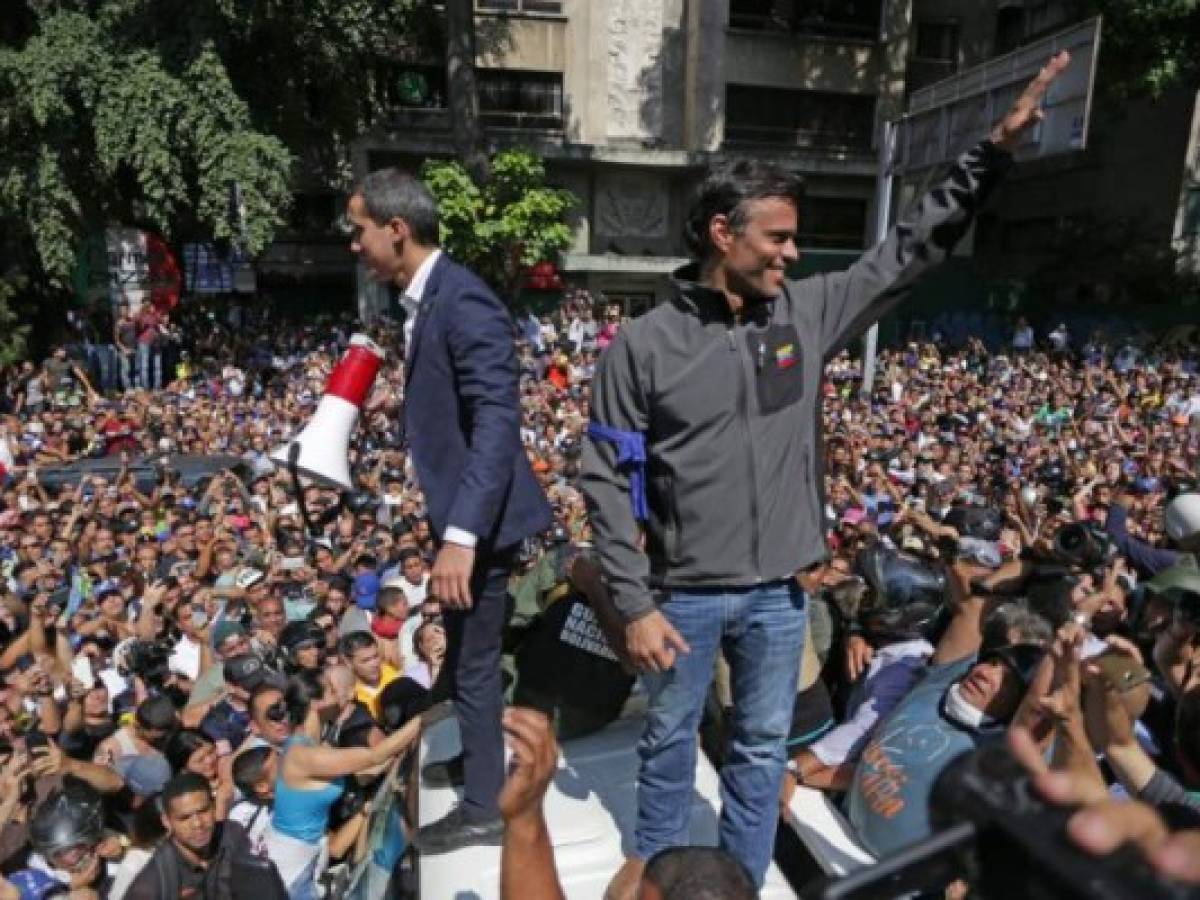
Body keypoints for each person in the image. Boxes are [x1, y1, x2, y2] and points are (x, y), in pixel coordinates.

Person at [582, 52, 1072, 894]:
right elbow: (603, 475)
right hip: (684, 597)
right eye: (777, 236)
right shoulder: (644, 345)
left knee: (762, 746)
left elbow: (908, 250)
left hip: (780, 597)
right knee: (667, 745)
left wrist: (990, 151)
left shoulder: (806, 313)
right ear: (721, 233)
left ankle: (734, 878)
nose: (793, 252)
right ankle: (663, 876)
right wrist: (632, 603)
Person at [346, 167, 553, 853]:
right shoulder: (429, 300)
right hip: (467, 517)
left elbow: (497, 420)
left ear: (396, 230)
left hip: (481, 524)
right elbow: (457, 407)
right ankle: (479, 762)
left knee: (471, 660)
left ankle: (485, 806)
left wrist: (461, 536)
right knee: (466, 653)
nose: (355, 245)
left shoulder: (462, 301)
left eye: (360, 230)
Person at [123, 772, 286, 900]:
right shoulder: (155, 882)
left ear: (214, 807)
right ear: (167, 821)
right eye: (184, 818)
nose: (198, 824)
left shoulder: (232, 834)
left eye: (203, 811)